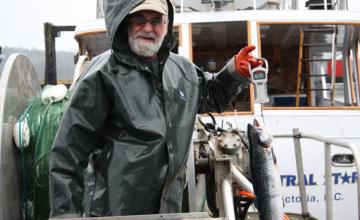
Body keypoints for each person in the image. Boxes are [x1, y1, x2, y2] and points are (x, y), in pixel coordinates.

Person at [49, 0, 262, 218]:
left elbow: (211, 96)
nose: (148, 28)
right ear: (124, 22)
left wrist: (233, 71)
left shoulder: (183, 70)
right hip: (114, 212)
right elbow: (68, 153)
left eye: (156, 21)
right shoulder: (101, 75)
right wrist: (65, 214)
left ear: (167, 25)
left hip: (168, 210)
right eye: (139, 19)